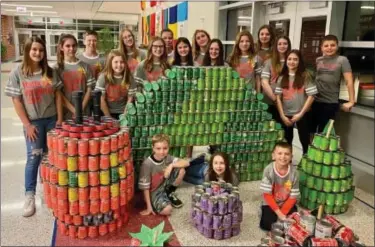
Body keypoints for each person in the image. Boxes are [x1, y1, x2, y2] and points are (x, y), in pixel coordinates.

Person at [5, 37, 63, 217]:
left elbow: (58, 96)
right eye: (34, 50)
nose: (38, 53)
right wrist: (27, 125)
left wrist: (60, 119)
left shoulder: (50, 72)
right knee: (34, 158)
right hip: (34, 123)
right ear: (27, 51)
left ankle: (47, 190)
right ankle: (29, 195)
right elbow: (16, 100)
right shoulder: (18, 73)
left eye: (41, 50)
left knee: (50, 158)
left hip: (52, 120)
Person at [310, 34, 355, 134]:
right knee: (311, 131)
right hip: (314, 100)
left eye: (332, 45)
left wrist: (351, 101)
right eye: (326, 46)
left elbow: (349, 81)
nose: (329, 48)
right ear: (321, 48)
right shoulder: (318, 60)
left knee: (324, 134)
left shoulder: (342, 60)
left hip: (330, 103)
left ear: (337, 46)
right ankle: (310, 150)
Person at [275, 50, 317, 154]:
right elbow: (278, 98)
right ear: (286, 61)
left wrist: (300, 114)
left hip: (302, 114)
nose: (292, 62)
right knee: (287, 141)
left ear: (299, 61)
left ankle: (305, 162)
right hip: (286, 114)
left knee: (304, 141)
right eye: (289, 59)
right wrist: (282, 115)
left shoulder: (305, 76)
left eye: (295, 59)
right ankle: (288, 162)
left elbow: (312, 96)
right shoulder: (281, 77)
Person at [138, 134, 189, 216]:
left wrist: (171, 165)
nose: (162, 152)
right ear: (153, 148)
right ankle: (160, 200)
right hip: (154, 191)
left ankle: (169, 193)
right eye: (158, 148)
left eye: (165, 148)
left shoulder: (167, 157)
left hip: (164, 185)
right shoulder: (147, 164)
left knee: (181, 170)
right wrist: (149, 207)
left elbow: (186, 163)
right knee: (168, 210)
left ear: (168, 147)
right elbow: (145, 188)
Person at [259, 142, 300, 231]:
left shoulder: (295, 173)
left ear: (291, 157)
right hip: (270, 202)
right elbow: (267, 195)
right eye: (280, 153)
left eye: (287, 154)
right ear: (273, 156)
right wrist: (280, 214)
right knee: (267, 225)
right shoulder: (268, 170)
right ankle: (263, 211)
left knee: (295, 222)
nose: (283, 157)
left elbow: (293, 197)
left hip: (287, 202)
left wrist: (283, 213)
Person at [55, 34, 95, 119]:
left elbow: (89, 89)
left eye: (74, 46)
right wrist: (74, 110)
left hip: (84, 113)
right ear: (61, 47)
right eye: (68, 46)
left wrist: (80, 109)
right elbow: (58, 94)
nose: (71, 49)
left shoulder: (85, 66)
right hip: (65, 114)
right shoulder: (56, 68)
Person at [95, 49, 137, 119]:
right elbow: (101, 100)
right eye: (116, 62)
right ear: (110, 63)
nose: (119, 65)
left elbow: (130, 99)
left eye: (122, 62)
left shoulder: (129, 78)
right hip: (106, 112)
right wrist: (109, 118)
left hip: (124, 112)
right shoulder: (103, 77)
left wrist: (124, 117)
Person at [261, 35, 291, 123]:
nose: (282, 46)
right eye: (279, 44)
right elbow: (264, 82)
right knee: (270, 129)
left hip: (287, 102)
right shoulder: (269, 62)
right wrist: (275, 99)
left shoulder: (292, 61)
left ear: (288, 45)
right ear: (276, 46)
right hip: (270, 101)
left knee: (286, 132)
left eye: (285, 44)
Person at [255, 25, 276, 92]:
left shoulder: (275, 51)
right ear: (258, 36)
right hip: (255, 84)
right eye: (262, 34)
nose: (264, 36)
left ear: (271, 36)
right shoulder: (253, 50)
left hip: (270, 86)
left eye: (267, 34)